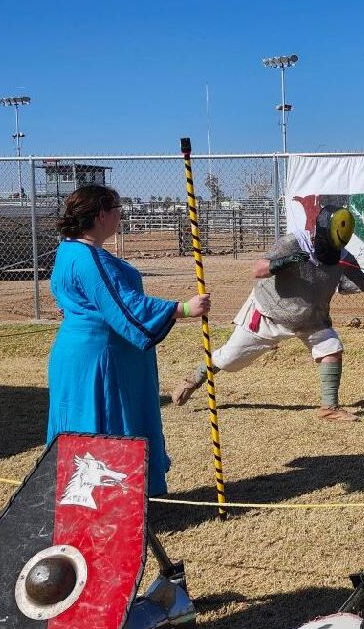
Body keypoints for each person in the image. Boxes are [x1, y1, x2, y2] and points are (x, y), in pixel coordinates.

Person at [171, 205, 364, 421]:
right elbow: (257, 270)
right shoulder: (293, 243)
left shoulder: (344, 257)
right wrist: (285, 261)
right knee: (230, 360)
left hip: (311, 319)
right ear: (320, 234)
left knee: (331, 347)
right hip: (268, 314)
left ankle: (329, 408)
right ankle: (195, 377)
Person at [47, 185, 210, 496]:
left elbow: (75, 296)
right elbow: (125, 305)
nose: (121, 215)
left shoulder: (67, 250)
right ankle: (108, 501)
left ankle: (96, 500)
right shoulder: (88, 257)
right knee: (103, 422)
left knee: (86, 421)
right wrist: (183, 309)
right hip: (101, 360)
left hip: (86, 354)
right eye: (117, 209)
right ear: (100, 215)